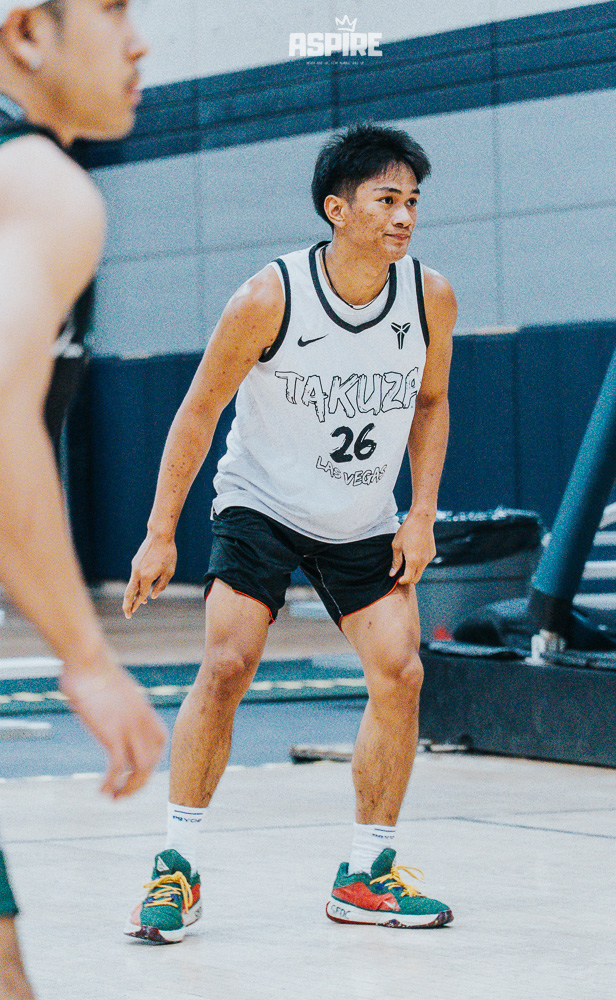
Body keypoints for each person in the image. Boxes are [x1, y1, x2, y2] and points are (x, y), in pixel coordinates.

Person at [124, 124, 457, 943]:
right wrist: (160, 532)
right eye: (387, 199)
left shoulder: (429, 296)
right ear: (336, 209)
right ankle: (175, 865)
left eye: (412, 201)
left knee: (400, 673)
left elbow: (430, 402)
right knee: (228, 662)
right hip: (262, 505)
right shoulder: (267, 298)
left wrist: (420, 513)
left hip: (362, 516)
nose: (404, 216)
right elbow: (198, 410)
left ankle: (366, 874)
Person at [0, 3, 166, 996]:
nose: (138, 40)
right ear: (28, 35)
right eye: (110, 9)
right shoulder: (41, 184)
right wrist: (87, 655)